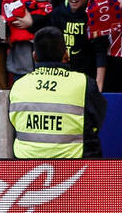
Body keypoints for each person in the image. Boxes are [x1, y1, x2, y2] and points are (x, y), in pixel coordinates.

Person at [8, 27, 106, 158]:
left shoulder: (18, 85)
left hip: (28, 169)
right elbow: (97, 121)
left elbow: (14, 124)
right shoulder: (84, 83)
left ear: (34, 56)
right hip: (76, 168)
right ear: (66, 54)